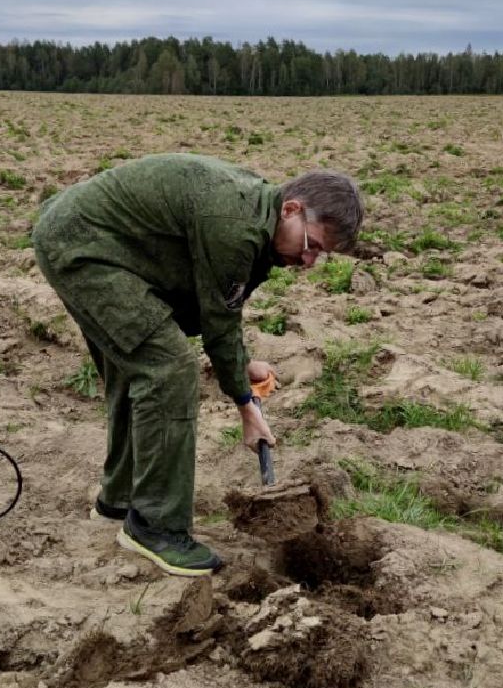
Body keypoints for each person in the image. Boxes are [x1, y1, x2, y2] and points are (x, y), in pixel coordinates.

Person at [32, 153, 364, 577]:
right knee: (168, 368)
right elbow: (220, 324)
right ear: (292, 209)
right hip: (80, 248)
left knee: (137, 364)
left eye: (321, 255)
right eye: (312, 245)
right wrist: (247, 408)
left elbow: (219, 307)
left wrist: (241, 364)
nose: (309, 261)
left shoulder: (257, 210)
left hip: (111, 249)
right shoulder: (236, 224)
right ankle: (155, 528)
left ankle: (120, 499)